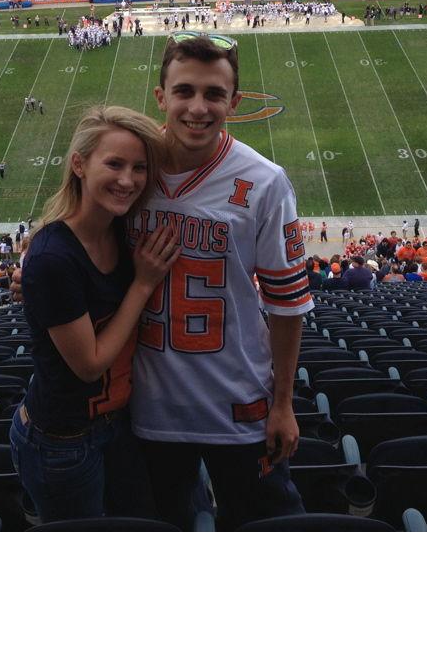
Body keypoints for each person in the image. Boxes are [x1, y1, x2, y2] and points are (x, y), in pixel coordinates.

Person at [129, 33, 314, 531]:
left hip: (239, 403)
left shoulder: (265, 181)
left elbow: (287, 302)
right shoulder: (130, 170)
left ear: (234, 102)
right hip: (146, 405)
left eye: (213, 94)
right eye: (184, 91)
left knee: (264, 528)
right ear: (160, 96)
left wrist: (282, 404)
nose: (197, 107)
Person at [10, 105, 179, 523]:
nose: (128, 180)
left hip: (115, 424)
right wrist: (142, 283)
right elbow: (89, 365)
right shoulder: (54, 256)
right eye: (115, 164)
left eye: (139, 168)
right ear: (79, 165)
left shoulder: (120, 229)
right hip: (62, 441)